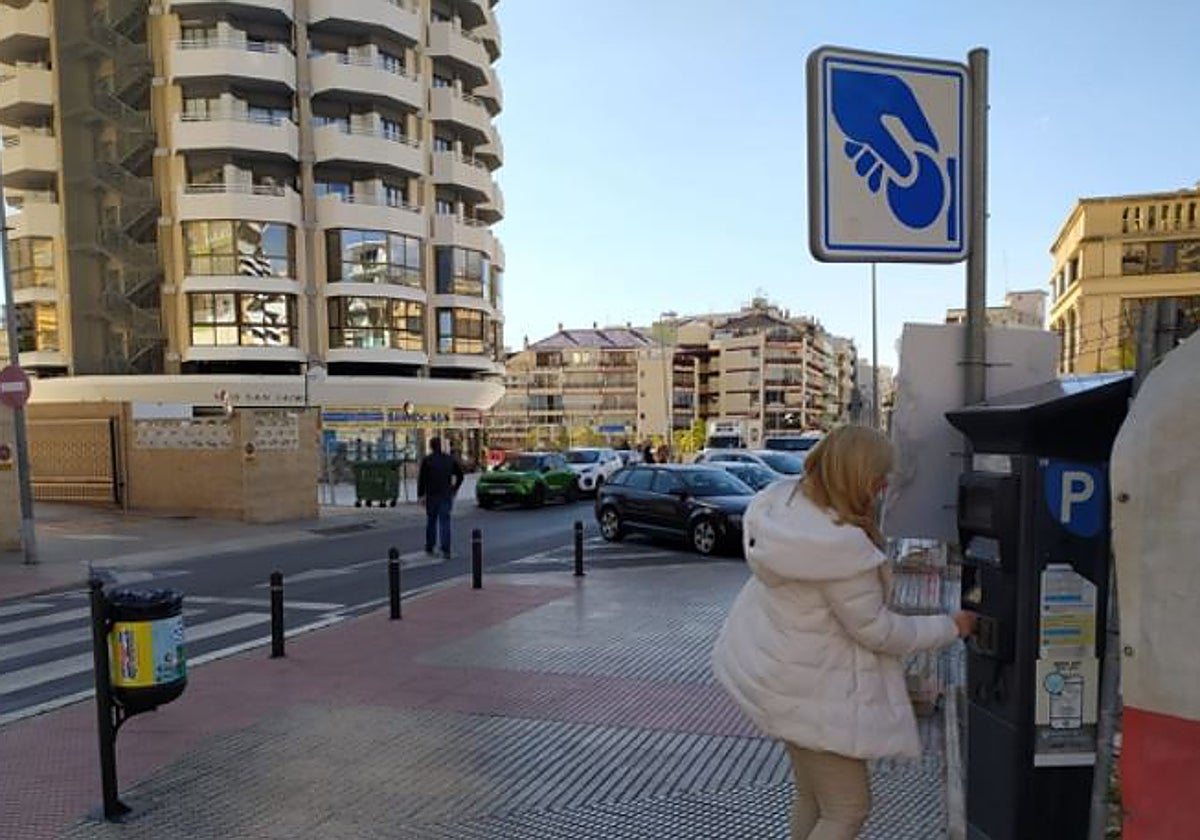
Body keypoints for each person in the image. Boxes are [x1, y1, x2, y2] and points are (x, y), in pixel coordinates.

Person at [711, 425, 976, 840]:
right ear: (857, 477)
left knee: (813, 797)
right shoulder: (839, 549)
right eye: (878, 476)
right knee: (848, 809)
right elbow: (879, 631)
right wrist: (950, 626)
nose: (884, 485)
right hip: (817, 696)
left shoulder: (789, 507)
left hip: (782, 679)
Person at [417, 436, 464, 558]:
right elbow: (460, 475)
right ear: (441, 446)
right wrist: (454, 488)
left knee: (431, 521)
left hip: (432, 495)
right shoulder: (449, 460)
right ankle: (446, 548)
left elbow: (421, 480)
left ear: (431, 447)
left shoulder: (427, 460)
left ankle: (430, 545)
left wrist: (421, 495)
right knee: (445, 522)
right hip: (446, 494)